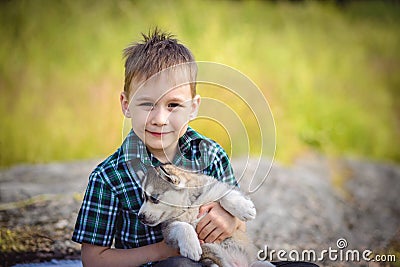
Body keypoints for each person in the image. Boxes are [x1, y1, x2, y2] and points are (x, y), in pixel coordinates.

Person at [72, 28, 245, 267]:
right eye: (147, 104)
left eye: (173, 104)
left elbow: (241, 219)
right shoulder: (109, 177)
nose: (160, 119)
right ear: (126, 105)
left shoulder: (211, 155)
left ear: (193, 108)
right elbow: (93, 260)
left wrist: (230, 220)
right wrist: (166, 251)